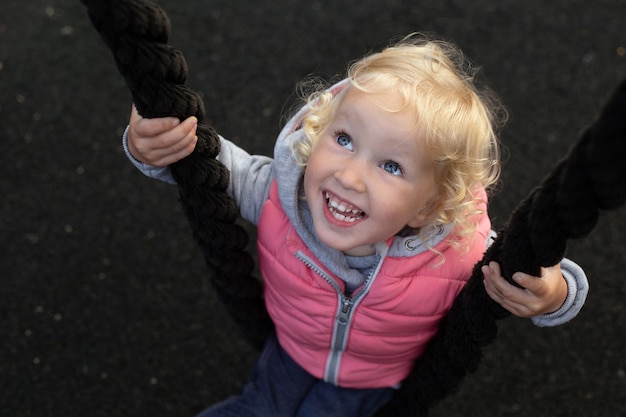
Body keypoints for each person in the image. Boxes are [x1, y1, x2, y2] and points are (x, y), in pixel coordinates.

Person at [122, 35, 588, 417]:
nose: (349, 176)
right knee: (256, 407)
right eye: (344, 139)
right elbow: (211, 164)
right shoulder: (281, 195)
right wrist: (154, 145)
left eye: (390, 166)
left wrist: (555, 294)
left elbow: (532, 268)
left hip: (372, 381)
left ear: (429, 206)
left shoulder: (455, 253)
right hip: (289, 351)